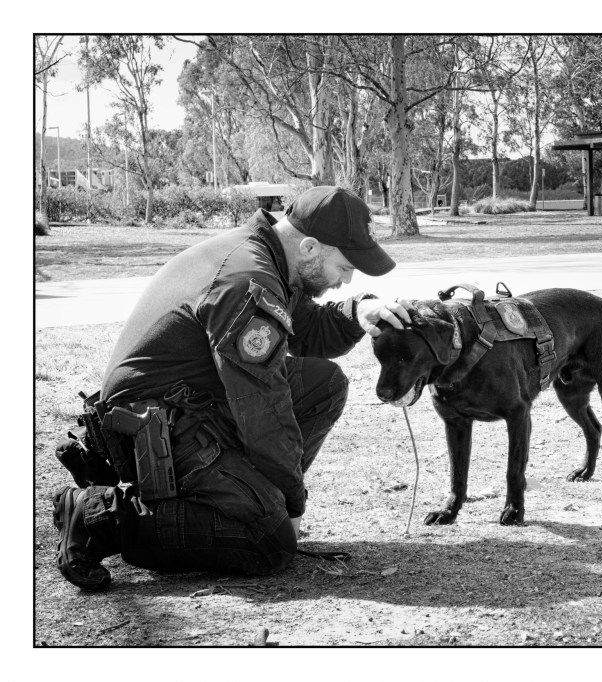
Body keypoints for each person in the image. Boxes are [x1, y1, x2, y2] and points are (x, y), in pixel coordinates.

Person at [52, 186, 413, 590]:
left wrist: (358, 309)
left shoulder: (268, 255)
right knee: (269, 544)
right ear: (311, 247)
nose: (346, 279)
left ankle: (252, 501)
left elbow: (308, 331)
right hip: (156, 425)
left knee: (323, 384)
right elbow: (263, 409)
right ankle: (101, 517)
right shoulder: (246, 279)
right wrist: (292, 504)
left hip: (188, 403)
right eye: (345, 267)